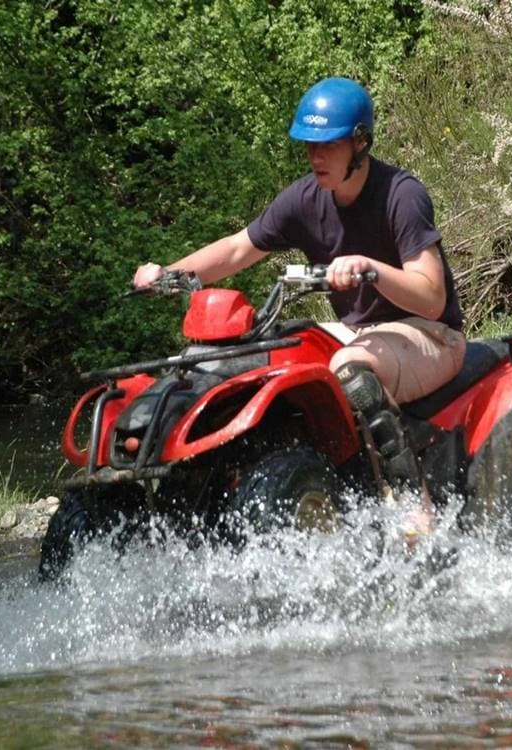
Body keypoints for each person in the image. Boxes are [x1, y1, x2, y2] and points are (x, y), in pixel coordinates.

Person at [134, 77, 466, 518]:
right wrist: (170, 273)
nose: (315, 156)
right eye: (309, 145)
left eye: (327, 145)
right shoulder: (305, 198)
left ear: (360, 142)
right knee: (258, 361)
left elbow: (431, 296)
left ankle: (413, 510)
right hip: (358, 332)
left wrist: (371, 269)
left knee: (350, 370)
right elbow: (237, 248)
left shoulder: (401, 195)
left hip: (430, 333)